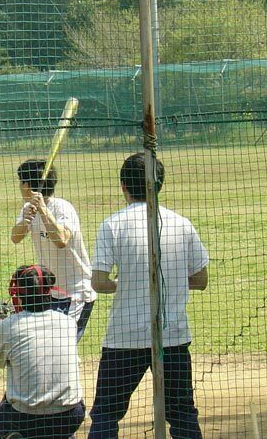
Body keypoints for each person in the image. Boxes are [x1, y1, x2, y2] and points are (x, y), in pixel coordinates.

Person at [88, 153, 209, 438]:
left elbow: (99, 282)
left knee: (106, 414)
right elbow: (201, 279)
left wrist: (128, 283)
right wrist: (166, 281)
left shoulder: (112, 224)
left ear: (123, 186)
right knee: (182, 413)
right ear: (160, 184)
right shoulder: (181, 223)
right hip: (172, 335)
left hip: (125, 337)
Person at [0, 264, 85, 439]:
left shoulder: (9, 326)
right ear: (49, 291)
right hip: (71, 416)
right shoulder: (67, 322)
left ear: (18, 294)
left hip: (27, 420)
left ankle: (12, 435)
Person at [10, 160, 96, 340]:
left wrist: (43, 210)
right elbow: (15, 238)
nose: (19, 187)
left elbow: (61, 240)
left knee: (63, 343)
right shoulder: (28, 207)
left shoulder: (62, 208)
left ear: (27, 185)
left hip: (76, 292)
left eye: (20, 182)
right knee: (48, 343)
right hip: (48, 292)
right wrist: (24, 221)